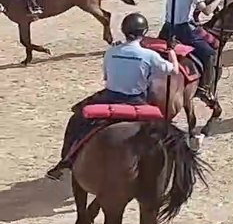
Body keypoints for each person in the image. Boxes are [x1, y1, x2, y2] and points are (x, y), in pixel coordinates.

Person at [46, 13, 178, 180]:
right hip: (136, 100)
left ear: (123, 31)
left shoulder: (110, 52)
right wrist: (171, 51)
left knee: (76, 119)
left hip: (109, 96)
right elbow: (174, 70)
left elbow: (107, 78)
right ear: (144, 33)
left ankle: (65, 161)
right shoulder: (149, 55)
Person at [162, 0, 217, 99]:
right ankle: (205, 88)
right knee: (210, 54)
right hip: (184, 31)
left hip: (167, 29)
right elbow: (208, 11)